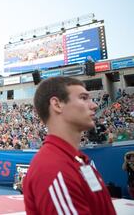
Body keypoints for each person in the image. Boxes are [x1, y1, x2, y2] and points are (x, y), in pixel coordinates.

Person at [23, 77, 116, 214]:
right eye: (83, 98)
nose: (94, 105)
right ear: (57, 104)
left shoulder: (77, 159)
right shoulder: (52, 168)